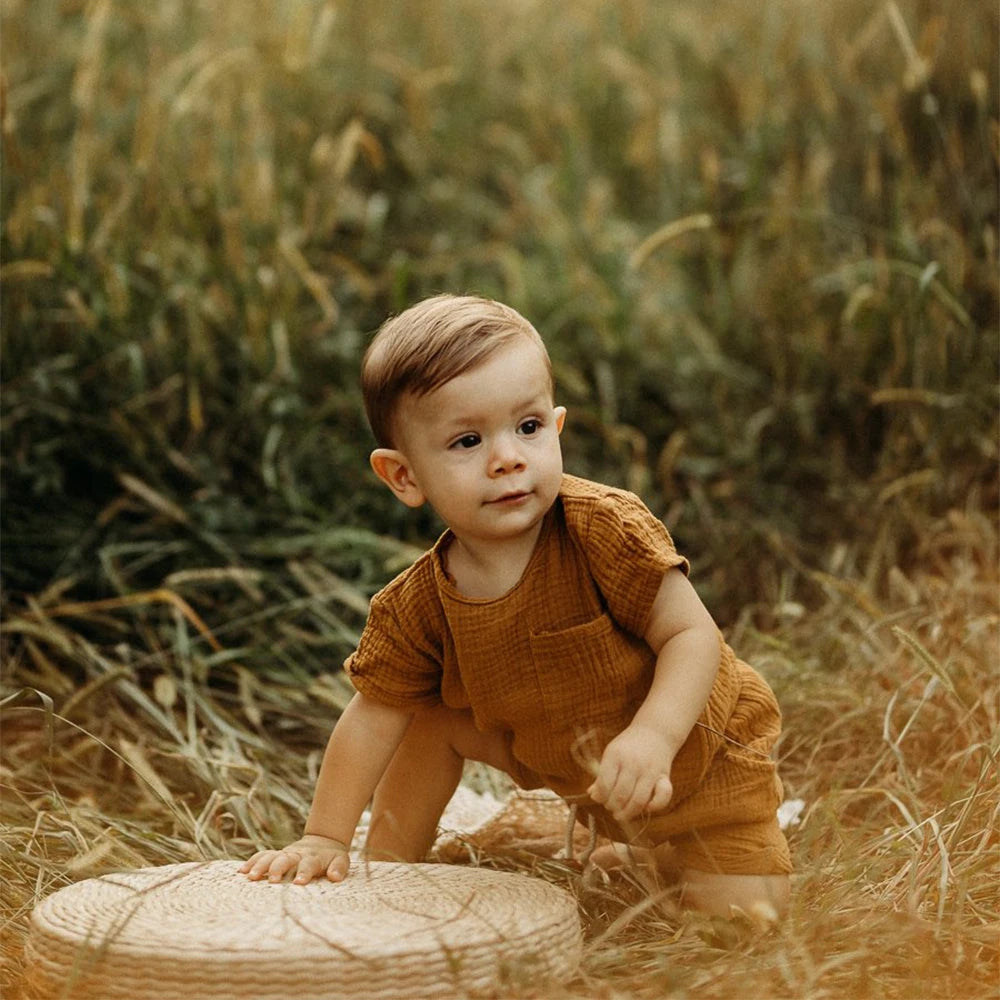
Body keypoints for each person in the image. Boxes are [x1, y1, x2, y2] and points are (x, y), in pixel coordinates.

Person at [239, 294, 792, 920]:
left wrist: (653, 735)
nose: (507, 457)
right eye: (468, 440)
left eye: (527, 428)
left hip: (705, 760)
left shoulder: (602, 529)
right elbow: (371, 719)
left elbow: (693, 636)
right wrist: (325, 835)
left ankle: (683, 853)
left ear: (555, 430)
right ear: (404, 477)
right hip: (585, 775)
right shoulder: (416, 604)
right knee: (429, 717)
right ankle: (387, 876)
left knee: (738, 924)